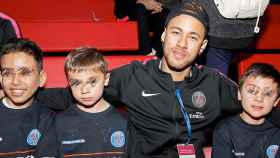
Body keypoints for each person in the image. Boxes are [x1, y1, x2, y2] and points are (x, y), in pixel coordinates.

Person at [37, 2, 241, 158]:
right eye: (176, 33)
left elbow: (259, 104)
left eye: (193, 37)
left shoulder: (215, 83)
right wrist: (22, 93)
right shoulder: (133, 76)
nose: (182, 44)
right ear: (163, 36)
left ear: (203, 46)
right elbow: (76, 92)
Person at [56, 47, 127, 157]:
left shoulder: (125, 121)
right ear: (69, 84)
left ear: (106, 79)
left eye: (92, 82)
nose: (85, 90)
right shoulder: (59, 123)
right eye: (76, 83)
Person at [0, 38, 58, 157]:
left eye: (25, 73)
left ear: (41, 78)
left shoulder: (48, 120)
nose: (15, 81)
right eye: (7, 73)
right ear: (0, 78)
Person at [212, 63, 280, 158]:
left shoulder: (277, 131)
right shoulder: (224, 130)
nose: (259, 99)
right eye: (252, 91)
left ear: (276, 101)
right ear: (239, 94)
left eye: (268, 94)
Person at [114, 0, 180, 55]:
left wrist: (158, 6)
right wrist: (141, 2)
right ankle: (147, 54)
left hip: (150, 17)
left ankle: (156, 51)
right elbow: (120, 10)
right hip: (130, 16)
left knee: (166, 15)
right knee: (140, 8)